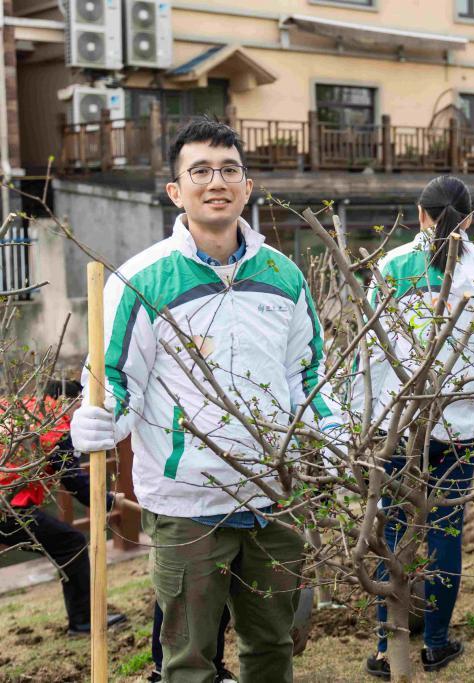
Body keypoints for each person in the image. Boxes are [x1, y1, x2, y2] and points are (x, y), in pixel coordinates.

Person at [69, 117, 341, 682]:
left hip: (274, 493)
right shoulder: (143, 279)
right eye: (200, 171)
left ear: (246, 186)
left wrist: (334, 430)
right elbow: (117, 373)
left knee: (273, 646)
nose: (216, 182)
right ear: (176, 190)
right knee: (190, 659)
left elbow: (306, 372)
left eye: (229, 170)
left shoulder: (283, 276)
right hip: (188, 503)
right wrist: (100, 417)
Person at [354, 176, 474, 677]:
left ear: (420, 215)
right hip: (461, 425)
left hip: (401, 423)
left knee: (395, 530)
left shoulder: (392, 265)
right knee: (446, 532)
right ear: (469, 218)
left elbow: (370, 351)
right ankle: (437, 644)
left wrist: (363, 422)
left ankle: (387, 647)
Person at [0, 380, 126, 636]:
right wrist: (110, 500)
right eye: (78, 404)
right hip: (8, 507)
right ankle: (82, 622)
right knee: (71, 543)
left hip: (8, 502)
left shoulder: (18, 409)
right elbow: (76, 485)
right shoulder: (54, 427)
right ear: (64, 401)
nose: (79, 412)